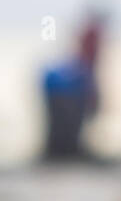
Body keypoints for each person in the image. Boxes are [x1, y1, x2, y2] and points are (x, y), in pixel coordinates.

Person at [41, 13, 106, 160]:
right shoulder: (90, 39)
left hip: (60, 82)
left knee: (61, 125)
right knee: (66, 125)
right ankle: (63, 150)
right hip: (66, 85)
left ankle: (61, 150)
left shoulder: (86, 39)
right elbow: (88, 64)